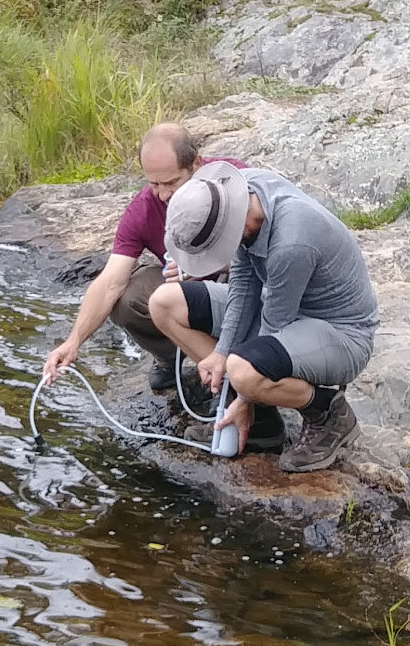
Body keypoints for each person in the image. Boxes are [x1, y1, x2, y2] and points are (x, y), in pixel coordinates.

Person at [149, 161, 379, 472]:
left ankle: (327, 413)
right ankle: (262, 423)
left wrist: (244, 397)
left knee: (245, 369)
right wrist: (220, 352)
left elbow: (274, 327)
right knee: (165, 304)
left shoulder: (292, 242)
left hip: (340, 334)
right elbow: (244, 282)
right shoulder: (242, 192)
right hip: (285, 313)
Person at [42, 123, 246, 390]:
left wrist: (211, 264)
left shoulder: (235, 181)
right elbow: (109, 282)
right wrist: (73, 342)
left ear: (196, 164)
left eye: (172, 182)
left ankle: (237, 381)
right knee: (126, 300)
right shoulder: (143, 210)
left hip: (240, 287)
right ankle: (171, 357)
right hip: (184, 295)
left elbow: (269, 252)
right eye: (154, 184)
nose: (163, 195)